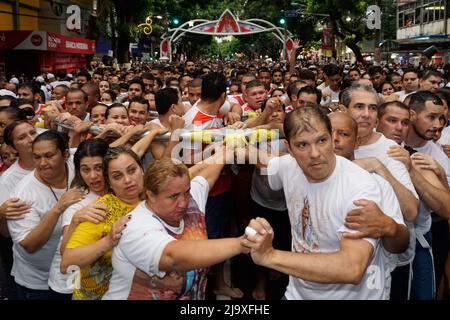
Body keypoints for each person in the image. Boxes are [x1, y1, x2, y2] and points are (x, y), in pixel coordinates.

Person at [242, 107, 405, 300]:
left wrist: (270, 255)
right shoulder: (288, 166)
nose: (315, 153)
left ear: (331, 138)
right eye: (302, 145)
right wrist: (233, 148)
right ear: (289, 148)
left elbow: (351, 268)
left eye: (321, 140)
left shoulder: (360, 187)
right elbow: (267, 163)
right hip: (296, 294)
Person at [103, 152, 248, 300]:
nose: (184, 203)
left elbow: (207, 177)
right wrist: (242, 243)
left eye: (186, 193)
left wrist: (225, 153)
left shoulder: (190, 200)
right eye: (173, 197)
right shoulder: (134, 226)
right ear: (151, 195)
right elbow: (173, 257)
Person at [7, 130, 84, 299]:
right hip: (37, 283)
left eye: (49, 156)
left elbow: (97, 153)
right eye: (37, 157)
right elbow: (29, 245)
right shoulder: (22, 194)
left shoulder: (75, 163)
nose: (42, 163)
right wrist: (58, 208)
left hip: (74, 272)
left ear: (64, 155)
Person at [61, 146, 144, 300]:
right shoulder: (102, 210)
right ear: (109, 183)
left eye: (132, 170)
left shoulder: (154, 197)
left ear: (142, 169)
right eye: (117, 176)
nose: (127, 180)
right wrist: (108, 241)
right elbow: (67, 263)